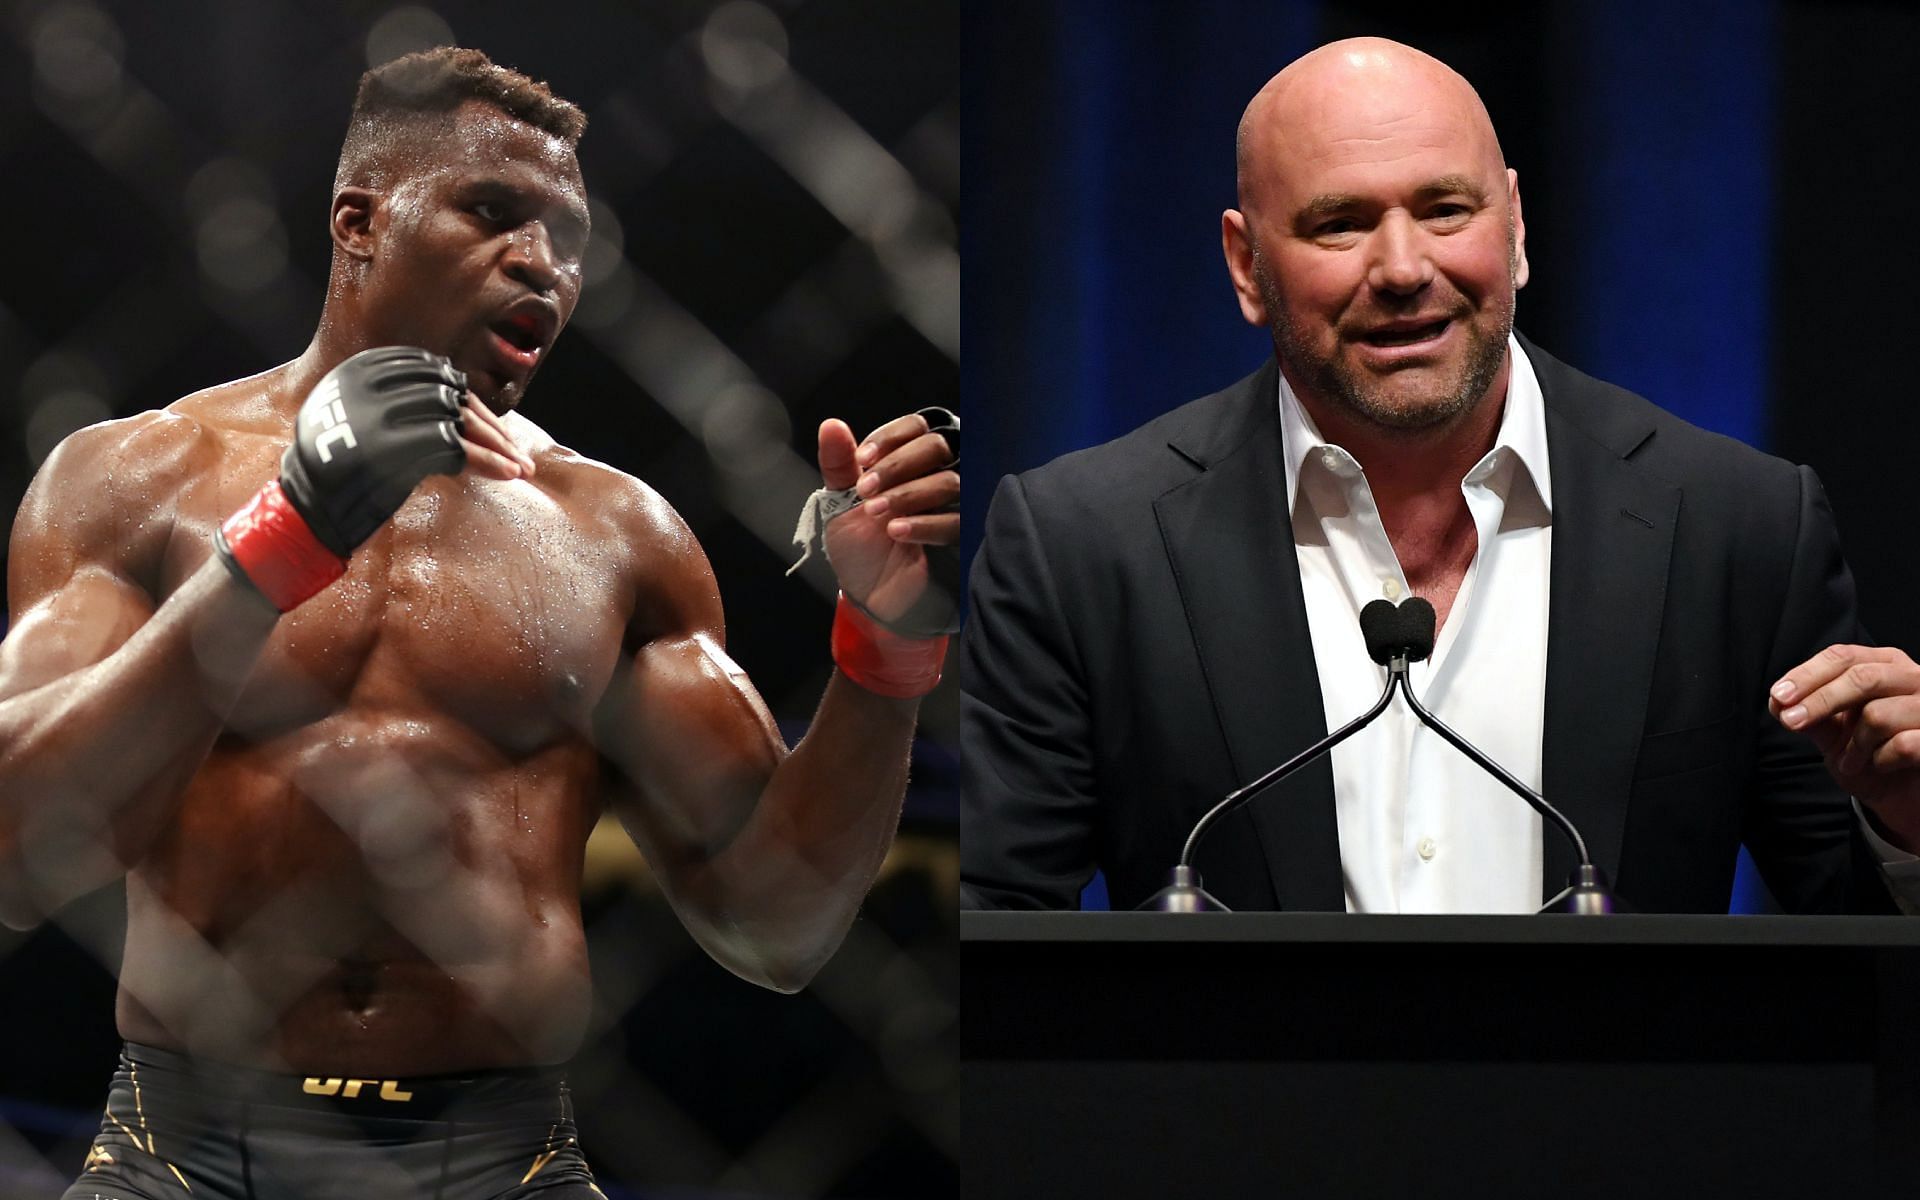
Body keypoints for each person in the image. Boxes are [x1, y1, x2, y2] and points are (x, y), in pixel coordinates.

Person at [0, 48, 959, 1199]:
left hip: (501, 1163)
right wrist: (274, 552)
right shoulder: (133, 478)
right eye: (493, 211)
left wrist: (884, 650)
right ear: (359, 222)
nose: (541, 265)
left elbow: (778, 929)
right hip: (182, 1154)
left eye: (569, 239)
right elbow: (17, 853)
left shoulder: (619, 536)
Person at [959, 36, 1920, 914]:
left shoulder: (1738, 526)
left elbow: (1854, 944)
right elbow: (1000, 943)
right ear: (1247, 267)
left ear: (1515, 227)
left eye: (1445, 209)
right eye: (1340, 224)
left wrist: (1907, 824)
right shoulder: (1082, 544)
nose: (1404, 266)